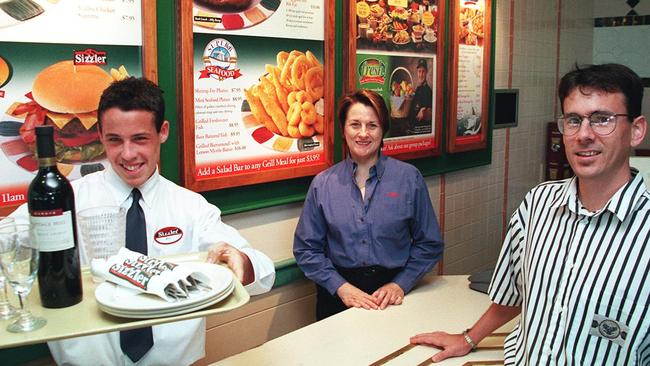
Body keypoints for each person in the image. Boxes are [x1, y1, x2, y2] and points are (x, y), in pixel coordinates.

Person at [9, 77, 276, 365]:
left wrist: (242, 262)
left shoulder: (191, 207)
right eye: (114, 140)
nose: (127, 154)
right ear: (99, 134)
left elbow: (264, 273)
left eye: (140, 139)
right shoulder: (67, 199)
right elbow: (8, 237)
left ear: (162, 132)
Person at [410, 63, 650, 365]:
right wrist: (469, 338)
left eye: (602, 120)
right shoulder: (538, 204)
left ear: (636, 130)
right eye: (573, 121)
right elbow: (514, 295)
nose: (584, 135)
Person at [293, 89, 443, 320]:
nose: (363, 133)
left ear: (383, 131)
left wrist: (400, 284)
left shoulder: (409, 179)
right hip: (337, 299)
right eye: (355, 124)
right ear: (343, 129)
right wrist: (341, 287)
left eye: (372, 125)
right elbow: (306, 249)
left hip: (393, 298)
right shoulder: (323, 185)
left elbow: (429, 244)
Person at [409, 58, 433, 133]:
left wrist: (424, 110)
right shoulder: (417, 88)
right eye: (419, 71)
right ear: (417, 72)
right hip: (412, 127)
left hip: (420, 129)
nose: (421, 74)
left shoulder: (428, 90)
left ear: (426, 73)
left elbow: (429, 112)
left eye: (423, 71)